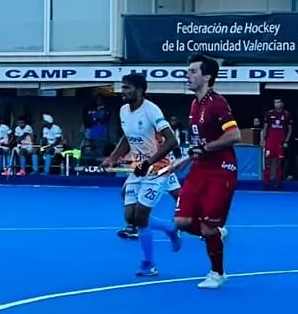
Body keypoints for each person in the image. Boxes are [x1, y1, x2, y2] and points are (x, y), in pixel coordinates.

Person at [103, 73, 183, 277]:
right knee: (130, 217)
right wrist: (113, 158)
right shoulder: (123, 110)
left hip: (156, 170)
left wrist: (149, 163)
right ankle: (171, 228)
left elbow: (171, 141)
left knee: (141, 215)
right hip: (138, 168)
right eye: (123, 87)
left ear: (139, 90)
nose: (123, 91)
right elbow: (127, 139)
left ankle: (148, 264)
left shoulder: (151, 110)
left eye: (127, 88)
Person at [174, 54, 242, 289]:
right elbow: (200, 144)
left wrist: (203, 149)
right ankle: (215, 233)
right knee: (182, 222)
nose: (188, 75)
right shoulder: (194, 104)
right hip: (200, 168)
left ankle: (217, 272)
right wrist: (185, 159)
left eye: (193, 71)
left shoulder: (217, 102)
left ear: (207, 76)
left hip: (221, 170)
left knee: (207, 227)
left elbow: (234, 136)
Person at [262, 98, 292, 190]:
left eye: (279, 102)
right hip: (270, 142)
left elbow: (290, 129)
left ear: (282, 103)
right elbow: (265, 128)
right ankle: (266, 184)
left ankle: (278, 184)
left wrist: (286, 141)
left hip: (280, 143)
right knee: (267, 163)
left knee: (279, 164)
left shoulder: (287, 115)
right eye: (275, 102)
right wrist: (263, 140)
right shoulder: (269, 114)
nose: (277, 104)